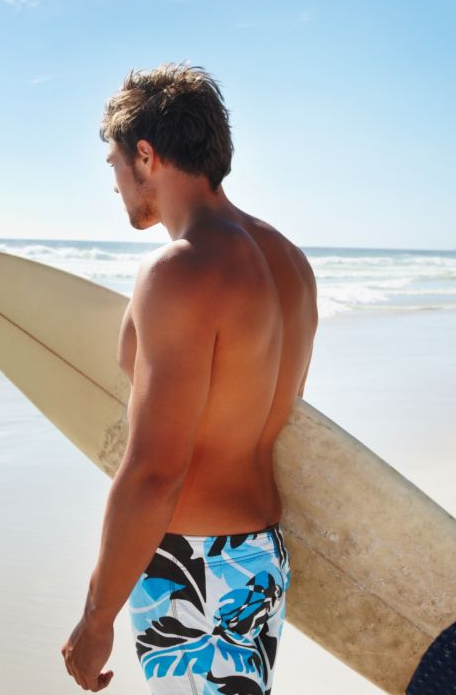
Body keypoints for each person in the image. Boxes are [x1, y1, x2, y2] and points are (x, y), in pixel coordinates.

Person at [61, 62, 319, 694]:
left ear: (145, 154)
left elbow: (156, 470)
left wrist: (96, 618)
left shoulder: (180, 271)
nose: (115, 183)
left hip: (195, 567)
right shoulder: (290, 262)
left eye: (115, 164)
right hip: (258, 557)